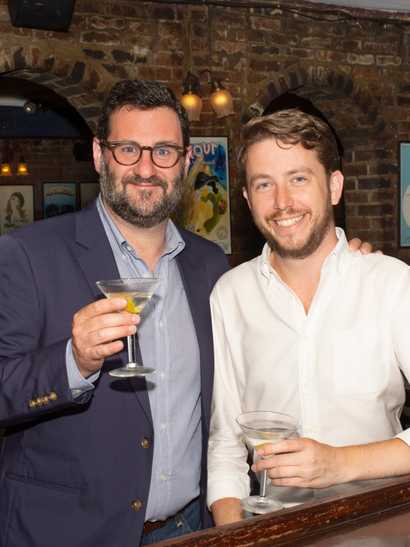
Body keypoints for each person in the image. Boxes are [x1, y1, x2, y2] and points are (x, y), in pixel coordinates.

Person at [0, 79, 229, 547]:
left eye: (163, 151)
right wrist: (73, 361)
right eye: (128, 149)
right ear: (100, 155)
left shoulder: (210, 264)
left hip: (186, 529)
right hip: (63, 533)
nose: (146, 168)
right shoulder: (25, 254)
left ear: (186, 161)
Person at [207, 108, 410, 526]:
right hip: (273, 530)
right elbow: (226, 442)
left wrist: (339, 464)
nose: (282, 203)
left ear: (334, 186)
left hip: (381, 524)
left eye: (299, 179)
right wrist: (233, 534)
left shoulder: (391, 284)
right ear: (247, 199)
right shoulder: (231, 294)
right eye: (265, 184)